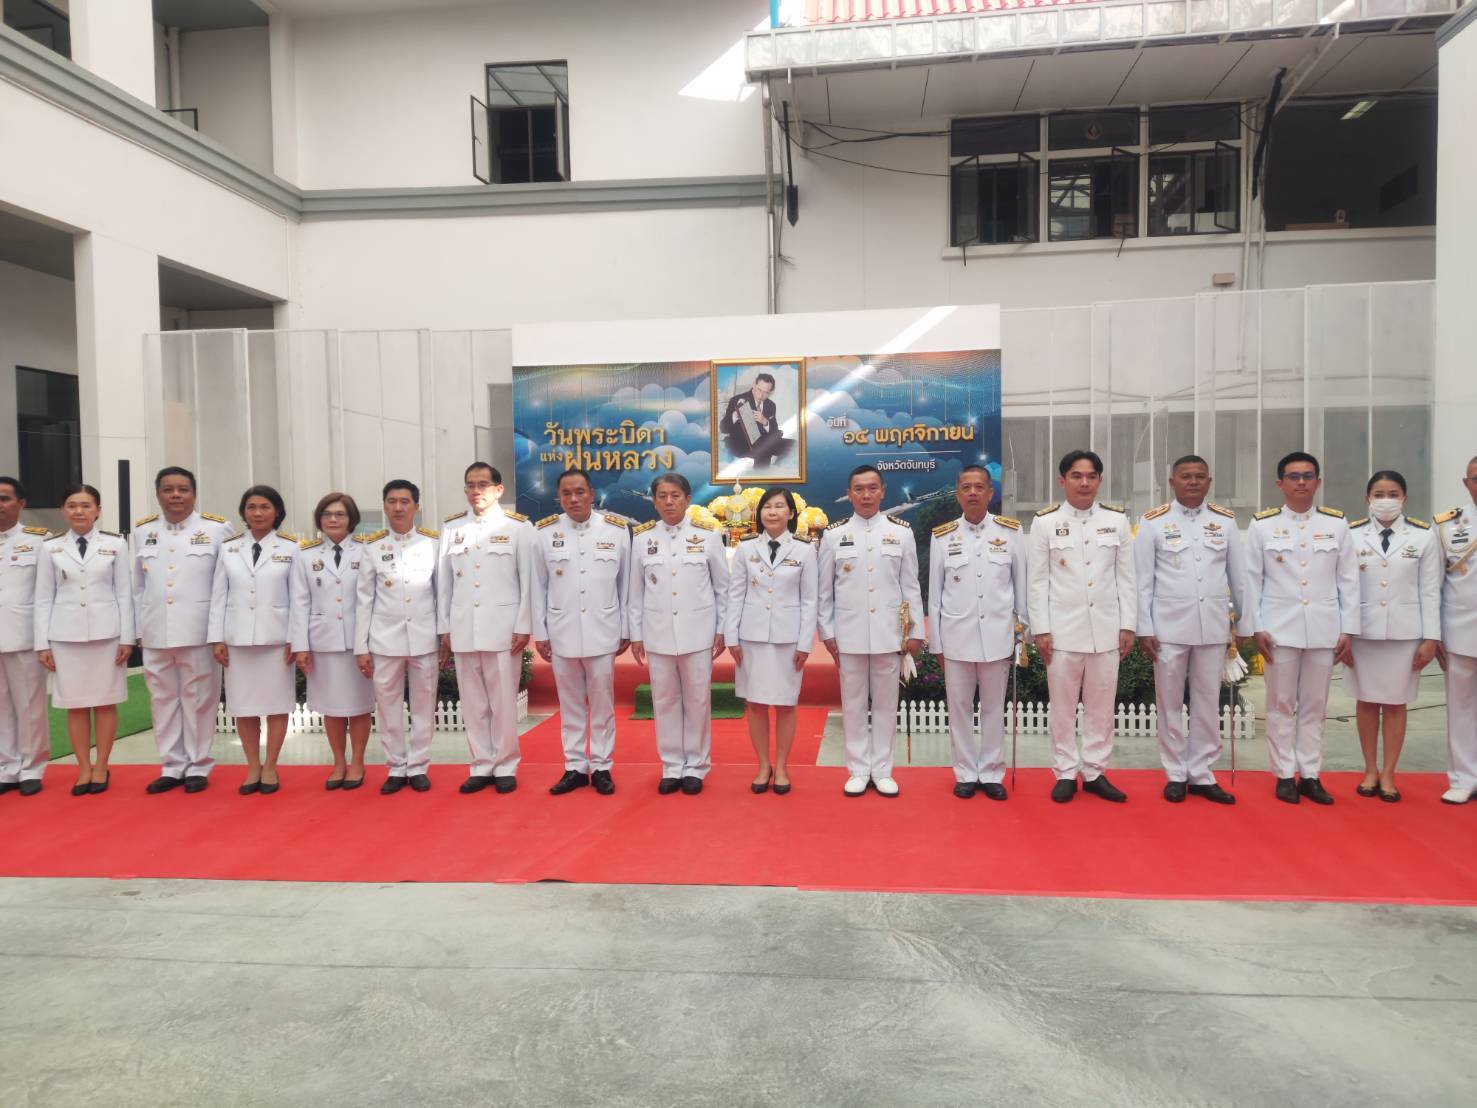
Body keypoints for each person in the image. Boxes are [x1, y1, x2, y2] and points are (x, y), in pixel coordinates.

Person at [1244, 451, 1358, 805]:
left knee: (1315, 704)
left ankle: (1310, 774)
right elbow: (1252, 581)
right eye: (1293, 476)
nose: (1301, 482)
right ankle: (1283, 773)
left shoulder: (1337, 525)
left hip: (1324, 628)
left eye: (1308, 476)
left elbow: (1348, 580)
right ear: (1280, 483)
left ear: (1318, 482)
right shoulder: (1262, 526)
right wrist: (1255, 627)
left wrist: (1348, 629)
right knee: (1280, 704)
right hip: (1279, 629)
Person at [1134, 455, 1248, 805]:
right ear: (1172, 482)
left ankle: (1201, 772)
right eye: (1186, 476)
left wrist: (1244, 623)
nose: (1193, 481)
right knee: (1169, 702)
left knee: (1207, 701)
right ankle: (1175, 772)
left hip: (1212, 626)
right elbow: (1143, 582)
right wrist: (1144, 628)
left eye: (1200, 476)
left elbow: (1239, 578)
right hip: (1168, 628)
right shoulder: (1152, 522)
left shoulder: (1225, 521)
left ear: (1209, 481)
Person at [1026, 450, 1136, 804]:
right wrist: (1041, 629)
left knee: (1101, 707)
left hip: (1106, 629)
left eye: (1091, 476)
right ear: (1063, 481)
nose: (1084, 483)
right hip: (1062, 632)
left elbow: (1127, 578)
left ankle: (1094, 771)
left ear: (1100, 480)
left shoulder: (1117, 521)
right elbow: (1037, 581)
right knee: (1062, 707)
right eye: (1076, 476)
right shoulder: (1045, 523)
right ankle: (1064, 771)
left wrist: (1128, 624)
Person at [818, 465, 923, 798]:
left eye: (872, 488)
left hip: (889, 634)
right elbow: (824, 592)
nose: (866, 495)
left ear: (883, 491)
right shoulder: (833, 535)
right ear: (849, 494)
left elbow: (911, 586)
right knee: (852, 704)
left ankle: (883, 770)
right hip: (848, 633)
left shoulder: (900, 533)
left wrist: (915, 631)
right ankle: (858, 770)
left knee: (886, 705)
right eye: (859, 489)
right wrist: (827, 631)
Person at [927, 465, 1026, 801]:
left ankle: (992, 772)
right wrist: (936, 643)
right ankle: (966, 773)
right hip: (957, 637)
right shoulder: (943, 536)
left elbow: (1020, 587)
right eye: (966, 487)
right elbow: (935, 595)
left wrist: (1021, 635)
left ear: (990, 493)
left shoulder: (1011, 532)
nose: (972, 493)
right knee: (959, 708)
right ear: (958, 494)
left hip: (998, 636)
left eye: (979, 487)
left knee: (994, 709)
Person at [133, 466, 233, 795]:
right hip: (156, 630)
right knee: (162, 699)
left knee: (199, 699)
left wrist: (219, 632)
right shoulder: (143, 531)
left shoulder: (217, 529)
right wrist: (137, 630)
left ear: (194, 493)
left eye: (182, 489)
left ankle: (198, 764)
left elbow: (225, 585)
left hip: (199, 630)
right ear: (158, 494)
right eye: (168, 489)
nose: (175, 495)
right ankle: (172, 765)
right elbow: (137, 586)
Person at [531, 468, 630, 796]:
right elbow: (537, 587)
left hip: (603, 630)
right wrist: (540, 633)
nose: (574, 499)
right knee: (570, 703)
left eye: (580, 492)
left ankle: (602, 766)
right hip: (562, 631)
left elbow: (626, 585)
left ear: (592, 494)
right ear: (558, 497)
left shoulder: (615, 530)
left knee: (602, 703)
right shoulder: (544, 532)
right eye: (566, 493)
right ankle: (574, 765)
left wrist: (625, 629)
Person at [629, 474, 729, 795]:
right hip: (657, 633)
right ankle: (671, 766)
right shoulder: (642, 539)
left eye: (675, 495)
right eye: (662, 496)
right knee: (664, 700)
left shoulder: (708, 537)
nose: (669, 501)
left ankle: (696, 766)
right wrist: (635, 634)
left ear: (687, 499)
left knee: (698, 700)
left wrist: (722, 629)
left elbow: (722, 589)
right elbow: (635, 592)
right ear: (654, 501)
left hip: (698, 633)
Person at [1343, 471, 1440, 804]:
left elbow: (1430, 590)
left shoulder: (1423, 536)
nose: (1386, 500)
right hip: (1363, 632)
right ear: (1367, 498)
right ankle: (1370, 770)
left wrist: (1431, 638)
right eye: (1379, 494)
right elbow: (1343, 588)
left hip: (1404, 633)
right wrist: (1345, 633)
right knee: (1367, 701)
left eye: (1393, 494)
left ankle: (1388, 773)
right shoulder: (1351, 534)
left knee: (1396, 703)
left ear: (1405, 499)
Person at [438, 463, 532, 795]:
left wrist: (523, 624)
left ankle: (505, 764)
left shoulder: (518, 527)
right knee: (473, 702)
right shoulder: (452, 528)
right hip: (464, 627)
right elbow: (444, 584)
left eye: (482, 484)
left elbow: (527, 581)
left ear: (498, 490)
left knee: (503, 702)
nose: (475, 491)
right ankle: (481, 764)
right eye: (470, 485)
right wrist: (444, 627)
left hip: (503, 629)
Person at [34, 483, 134, 796]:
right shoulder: (49, 547)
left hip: (107, 636)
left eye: (86, 505)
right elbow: (43, 598)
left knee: (104, 703)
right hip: (65, 637)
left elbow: (124, 593)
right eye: (72, 505)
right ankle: (83, 767)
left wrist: (127, 638)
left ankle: (101, 765)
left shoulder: (115, 544)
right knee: (75, 706)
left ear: (98, 511)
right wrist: (42, 644)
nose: (79, 511)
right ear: (63, 510)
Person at [208, 485, 298, 796]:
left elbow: (299, 598)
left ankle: (270, 766)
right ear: (243, 512)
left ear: (277, 512)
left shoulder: (292, 547)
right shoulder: (229, 547)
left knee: (277, 705)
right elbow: (218, 595)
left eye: (264, 507)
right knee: (243, 706)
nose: (257, 513)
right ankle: (252, 767)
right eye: (251, 507)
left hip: (277, 639)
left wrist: (296, 638)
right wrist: (216, 638)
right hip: (237, 639)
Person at [355, 479, 442, 795]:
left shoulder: (432, 544)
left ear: (416, 506)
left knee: (424, 704)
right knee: (387, 706)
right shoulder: (373, 546)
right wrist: (361, 646)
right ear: (384, 506)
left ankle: (418, 766)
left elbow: (441, 594)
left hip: (424, 637)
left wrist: (443, 636)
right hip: (384, 639)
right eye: (392, 501)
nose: (398, 507)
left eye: (405, 501)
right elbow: (364, 599)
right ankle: (395, 766)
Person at [727, 487, 817, 795]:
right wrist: (731, 637)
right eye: (767, 506)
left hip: (788, 639)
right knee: (755, 704)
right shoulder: (746, 547)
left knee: (785, 704)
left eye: (780, 506)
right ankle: (763, 765)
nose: (773, 512)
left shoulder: (805, 550)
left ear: (791, 513)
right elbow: (735, 594)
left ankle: (781, 766)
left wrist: (805, 643)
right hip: (751, 637)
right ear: (759, 512)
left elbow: (810, 600)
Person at [291, 492, 375, 791]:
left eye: (340, 514)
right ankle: (339, 762)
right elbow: (299, 602)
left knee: (360, 705)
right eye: (327, 514)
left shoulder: (366, 551)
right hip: (323, 641)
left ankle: (358, 761)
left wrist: (368, 642)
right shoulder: (305, 554)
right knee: (332, 706)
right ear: (319, 519)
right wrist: (300, 645)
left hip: (359, 642)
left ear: (351, 519)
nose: (333, 519)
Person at [0, 478, 51, 797]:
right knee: (1, 707)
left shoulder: (39, 541)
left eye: (5, 498)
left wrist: (44, 640)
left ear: (21, 503)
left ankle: (32, 767)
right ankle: (7, 767)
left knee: (30, 706)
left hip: (24, 635)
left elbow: (45, 594)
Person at [1434, 456, 1477, 805]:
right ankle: (1463, 778)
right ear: (1466, 483)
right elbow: (1434, 585)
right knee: (1461, 709)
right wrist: (1434, 633)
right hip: (1462, 629)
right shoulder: (1448, 525)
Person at [720, 372, 788, 466]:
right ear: (754, 384)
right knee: (764, 449)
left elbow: (775, 431)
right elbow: (723, 428)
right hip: (742, 445)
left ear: (770, 392)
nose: (761, 395)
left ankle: (783, 469)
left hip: (764, 442)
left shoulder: (771, 405)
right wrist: (735, 415)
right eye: (759, 390)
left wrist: (765, 422)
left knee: (794, 445)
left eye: (766, 392)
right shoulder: (736, 400)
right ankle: (761, 474)